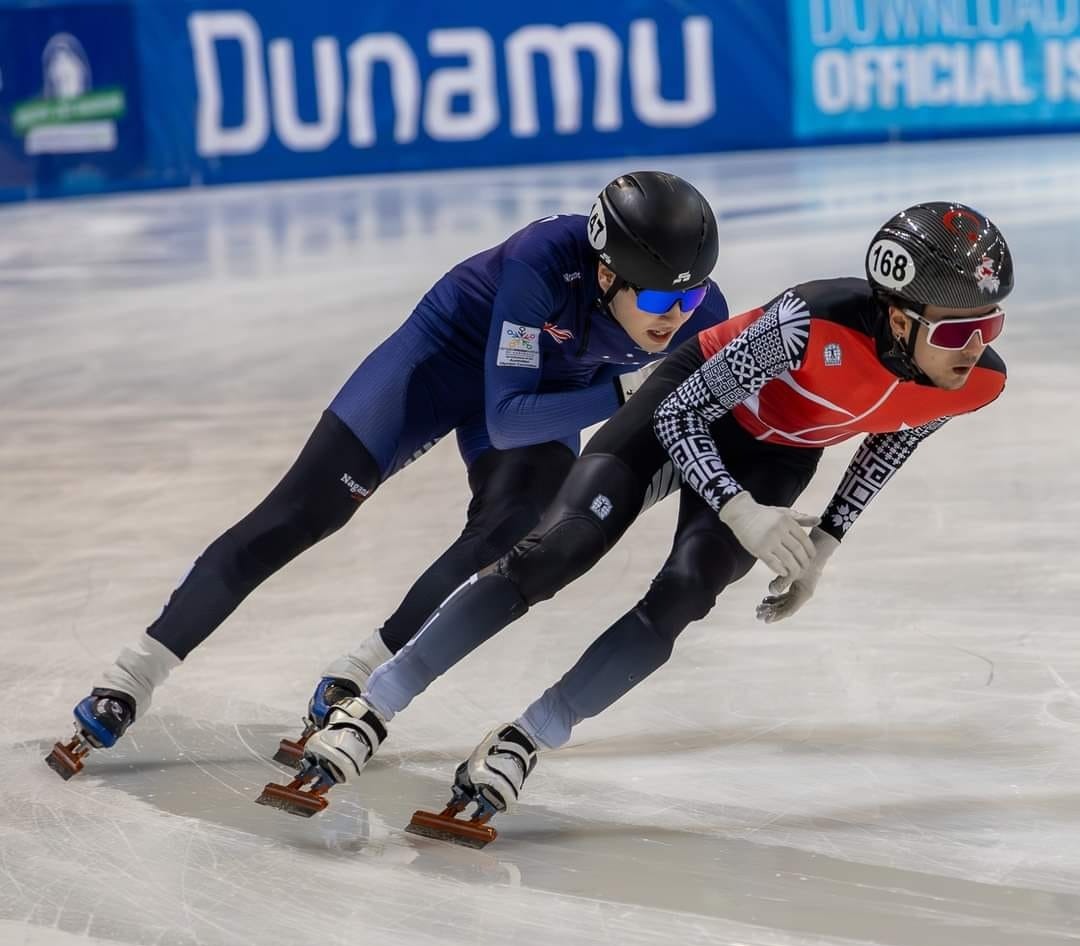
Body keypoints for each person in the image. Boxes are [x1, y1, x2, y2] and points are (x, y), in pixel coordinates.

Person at [256, 201, 1012, 843]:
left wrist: (827, 541)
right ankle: (373, 706)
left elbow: (889, 444)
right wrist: (741, 512)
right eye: (955, 333)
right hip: (685, 408)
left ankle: (529, 737)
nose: (975, 348)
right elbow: (683, 416)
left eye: (990, 326)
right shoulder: (808, 323)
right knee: (553, 554)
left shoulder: (975, 382)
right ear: (897, 315)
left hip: (776, 456)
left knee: (683, 597)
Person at [46, 171, 728, 780]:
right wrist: (626, 393)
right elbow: (508, 417)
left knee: (515, 527)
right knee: (301, 514)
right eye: (658, 299)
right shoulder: (542, 262)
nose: (677, 316)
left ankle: (358, 673)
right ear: (606, 276)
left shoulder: (701, 313)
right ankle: (132, 676)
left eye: (691, 296)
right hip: (441, 364)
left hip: (550, 390)